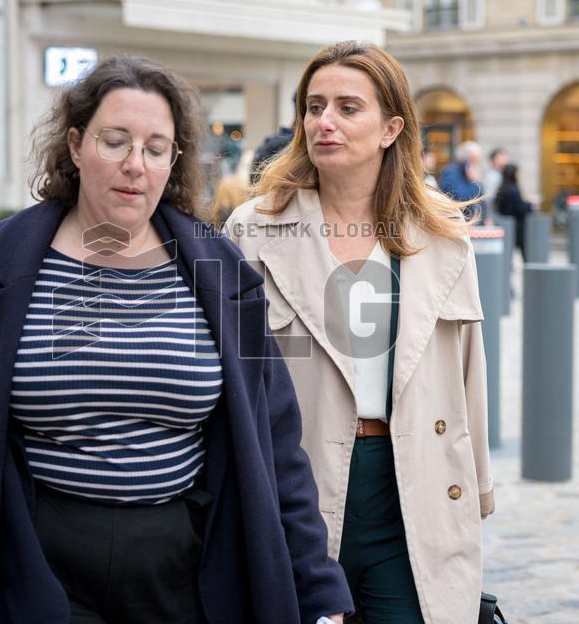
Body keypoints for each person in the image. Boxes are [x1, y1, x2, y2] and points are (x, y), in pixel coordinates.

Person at [0, 55, 352, 624]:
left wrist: (319, 590)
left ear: (174, 160)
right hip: (38, 562)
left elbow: (275, 445)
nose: (134, 165)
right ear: (75, 146)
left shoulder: (219, 271)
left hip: (187, 565)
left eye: (155, 148)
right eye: (114, 141)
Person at [226, 41, 494, 623]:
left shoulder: (443, 236)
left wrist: (479, 491)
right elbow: (232, 382)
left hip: (415, 486)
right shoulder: (254, 230)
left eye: (348, 107)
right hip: (295, 488)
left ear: (391, 127)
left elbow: (468, 374)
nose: (325, 121)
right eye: (314, 105)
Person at [494, 163, 533, 260]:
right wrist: (530, 205)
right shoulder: (513, 190)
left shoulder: (501, 188)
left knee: (507, 253)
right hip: (517, 225)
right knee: (525, 251)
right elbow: (519, 208)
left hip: (505, 224)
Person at [438, 140, 483, 220]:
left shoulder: (466, 172)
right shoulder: (451, 173)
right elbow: (462, 198)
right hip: (453, 220)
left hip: (466, 219)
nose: (476, 163)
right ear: (467, 159)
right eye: (474, 159)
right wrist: (474, 181)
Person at [482, 148, 508, 221]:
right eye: (501, 158)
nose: (504, 160)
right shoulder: (492, 176)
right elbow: (488, 197)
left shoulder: (501, 174)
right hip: (493, 215)